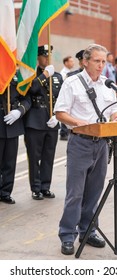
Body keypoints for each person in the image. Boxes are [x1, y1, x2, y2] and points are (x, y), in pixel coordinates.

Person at [54, 43, 117, 255]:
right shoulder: (72, 83)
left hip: (102, 145)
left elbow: (114, 111)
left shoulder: (107, 85)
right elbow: (60, 113)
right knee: (75, 193)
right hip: (80, 142)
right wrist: (80, 123)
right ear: (85, 61)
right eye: (97, 61)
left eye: (104, 61)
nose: (101, 65)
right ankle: (67, 234)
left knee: (94, 192)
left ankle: (88, 230)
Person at [24, 44, 63, 200]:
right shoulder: (30, 75)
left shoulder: (58, 76)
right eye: (44, 56)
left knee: (49, 156)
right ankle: (35, 187)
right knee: (34, 157)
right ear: (38, 57)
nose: (47, 59)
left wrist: (57, 116)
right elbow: (30, 90)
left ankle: (45, 186)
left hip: (51, 121)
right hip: (34, 121)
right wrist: (44, 75)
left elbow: (61, 98)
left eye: (49, 56)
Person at [0, 73, 30, 204]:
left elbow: (26, 98)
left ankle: (6, 192)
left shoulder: (16, 76)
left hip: (12, 124)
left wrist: (19, 111)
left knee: (10, 162)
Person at [60, 56, 75, 140]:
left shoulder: (69, 72)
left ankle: (65, 131)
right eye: (71, 61)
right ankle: (63, 132)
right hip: (65, 95)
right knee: (64, 113)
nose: (73, 63)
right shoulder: (63, 74)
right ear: (66, 63)